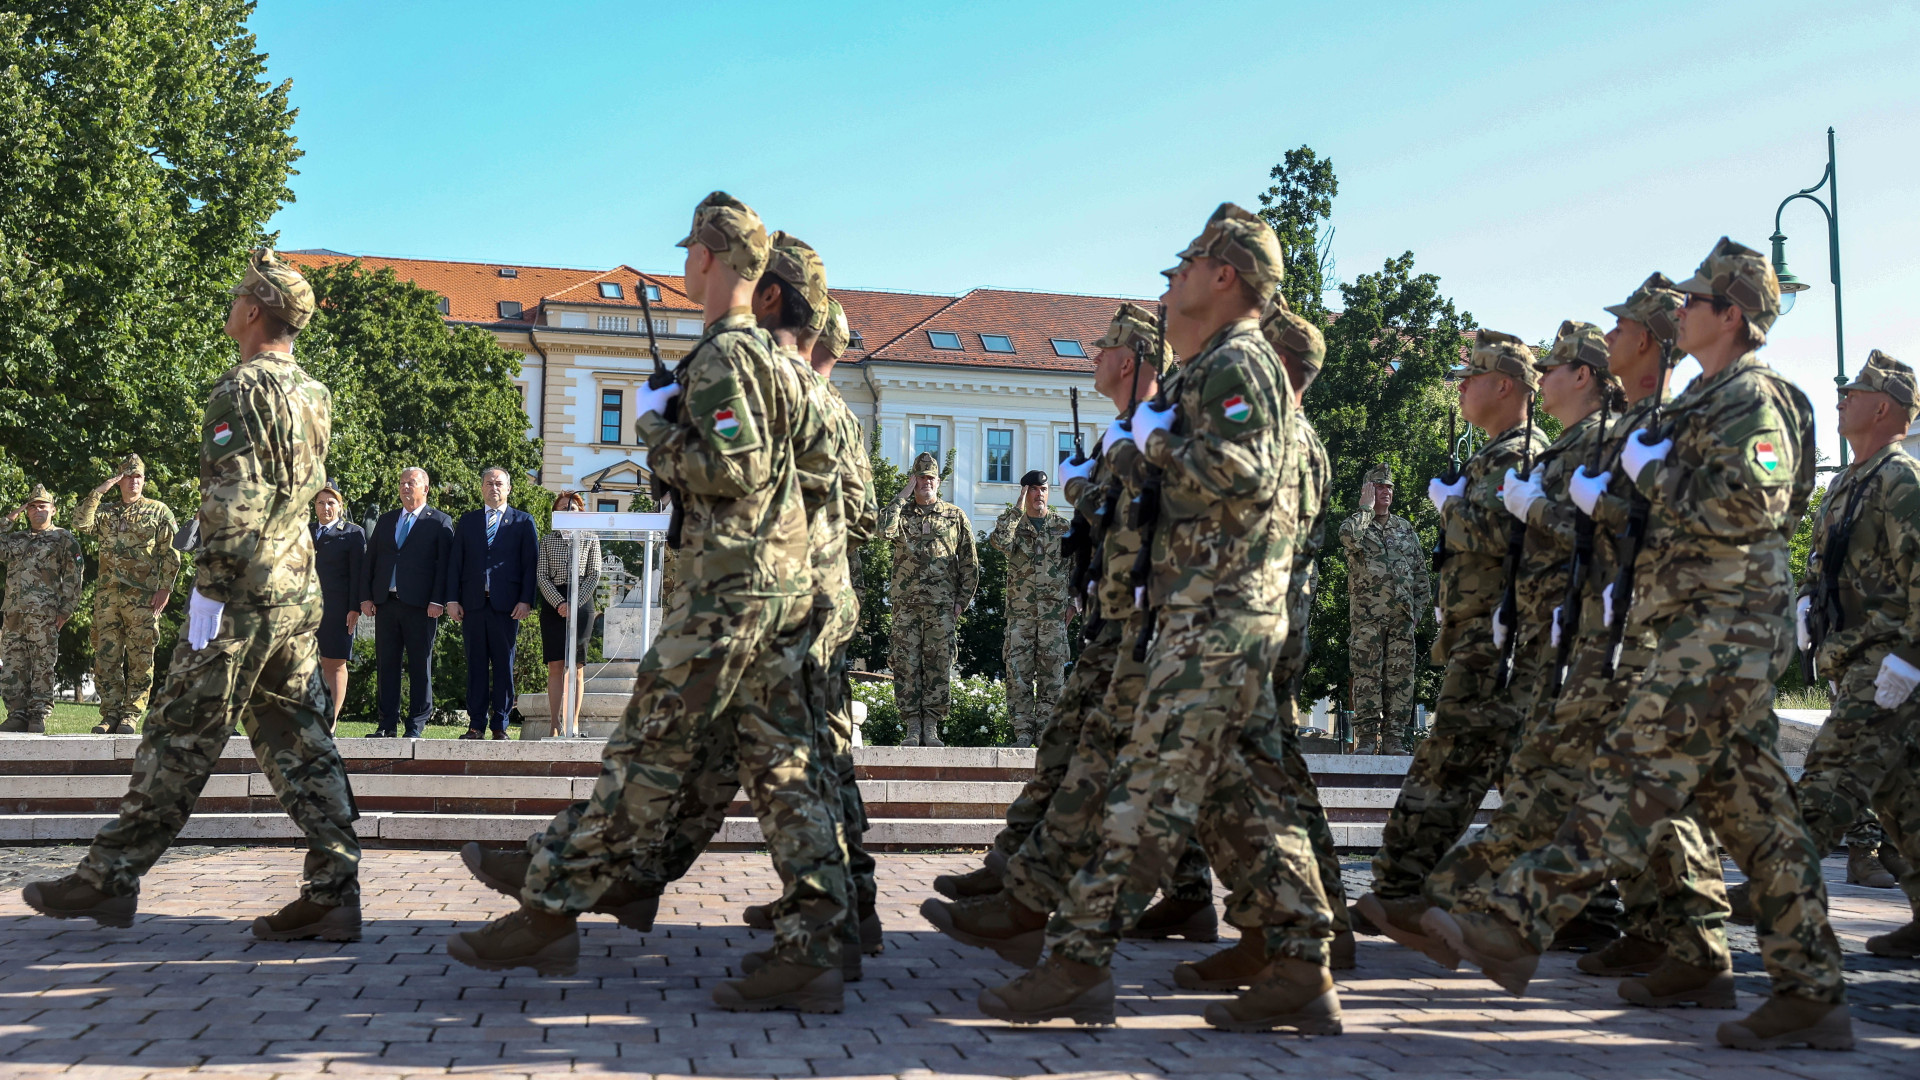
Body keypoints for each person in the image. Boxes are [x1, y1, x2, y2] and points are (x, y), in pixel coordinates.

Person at [1428, 238, 1851, 1052]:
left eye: (1695, 301)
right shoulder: (1707, 400)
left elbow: (1753, 505)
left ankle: (1514, 920)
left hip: (1723, 630)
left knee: (1626, 774)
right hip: (1692, 626)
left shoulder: (1753, 399)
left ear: (1732, 315)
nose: (1679, 312)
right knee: (1763, 823)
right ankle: (1811, 991)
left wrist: (1650, 477)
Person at [447, 193, 851, 1016]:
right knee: (784, 774)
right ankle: (816, 945)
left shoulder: (727, 355)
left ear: (706, 257)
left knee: (643, 757)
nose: (685, 265)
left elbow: (733, 470)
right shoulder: (780, 366)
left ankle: (549, 904)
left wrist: (658, 430)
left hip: (724, 598)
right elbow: (803, 478)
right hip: (776, 592)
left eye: (689, 252)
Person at [980, 203, 1335, 1034]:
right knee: (1246, 799)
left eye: (1189, 265)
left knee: (1145, 790)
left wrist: (1156, 442)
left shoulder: (1241, 361)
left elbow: (1242, 471)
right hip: (1203, 613)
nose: (1173, 279)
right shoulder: (1217, 363)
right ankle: (1301, 960)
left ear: (1227, 275)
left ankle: (1076, 961)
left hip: (1219, 617)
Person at [22, 248, 362, 942]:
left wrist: (209, 589)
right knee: (301, 739)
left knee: (178, 731)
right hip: (296, 589)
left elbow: (234, 498)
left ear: (255, 310)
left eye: (238, 296)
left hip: (242, 591)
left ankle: (110, 877)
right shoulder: (314, 394)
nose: (231, 305)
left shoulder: (238, 389)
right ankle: (335, 891)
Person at [923, 303, 1218, 957]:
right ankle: (1017, 869)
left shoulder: (1163, 426)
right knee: (1070, 746)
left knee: (1094, 763)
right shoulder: (1129, 429)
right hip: (1113, 623)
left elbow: (1141, 515)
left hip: (1146, 627)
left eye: (1104, 348)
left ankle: (1032, 901)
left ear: (1132, 359)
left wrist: (1081, 491)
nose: (1093, 358)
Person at [1423, 320, 1635, 952]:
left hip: (1584, 633)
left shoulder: (1594, 443)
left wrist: (1496, 509)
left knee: (1559, 772)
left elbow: (1598, 534)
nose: (1543, 379)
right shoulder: (1565, 446)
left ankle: (1470, 902)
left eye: (1553, 368)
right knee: (1538, 769)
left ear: (1584, 375)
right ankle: (1592, 909)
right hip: (1544, 629)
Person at [1723, 349, 1920, 962]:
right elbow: (1825, 562)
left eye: (1852, 392)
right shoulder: (1848, 481)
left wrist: (1910, 657)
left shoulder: (1901, 479)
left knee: (1831, 774)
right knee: (1902, 800)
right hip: (1851, 657)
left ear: (1883, 407)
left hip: (1885, 659)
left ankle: (1772, 884)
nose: (1840, 399)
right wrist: (1808, 599)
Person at [1353, 330, 1546, 951]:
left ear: (1505, 386)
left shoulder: (1520, 454)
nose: (1460, 388)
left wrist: (1450, 508)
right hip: (1478, 633)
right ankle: (1581, 907)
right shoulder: (1494, 452)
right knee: (1505, 772)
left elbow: (1504, 535)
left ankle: (1400, 887)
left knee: (1450, 762)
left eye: (1472, 377)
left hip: (1496, 638)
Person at [73, 453, 179, 734]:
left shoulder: (158, 511)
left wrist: (165, 588)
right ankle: (109, 714)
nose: (134, 481)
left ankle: (131, 715)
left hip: (143, 599)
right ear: (119, 481)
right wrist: (99, 491)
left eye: (138, 477)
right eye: (128, 477)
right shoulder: (106, 512)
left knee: (141, 657)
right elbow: (81, 523)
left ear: (144, 480)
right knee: (106, 657)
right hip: (108, 598)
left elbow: (171, 552)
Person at [880, 452, 978, 746]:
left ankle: (931, 727)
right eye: (921, 477)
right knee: (905, 666)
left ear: (938, 481)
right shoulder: (902, 514)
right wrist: (902, 496)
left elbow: (969, 563)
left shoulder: (954, 516)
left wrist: (961, 601)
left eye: (931, 477)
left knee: (939, 666)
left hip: (941, 607)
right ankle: (912, 727)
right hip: (906, 607)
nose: (927, 482)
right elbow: (883, 530)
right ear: (914, 480)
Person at [1338, 464, 1426, 753]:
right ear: (1367, 491)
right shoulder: (1358, 526)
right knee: (1366, 678)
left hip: (1402, 621)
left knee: (1401, 681)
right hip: (1367, 621)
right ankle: (1366, 739)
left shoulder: (1404, 528)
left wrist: (1416, 614)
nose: (1386, 491)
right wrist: (1365, 509)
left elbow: (1420, 575)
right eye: (1379, 486)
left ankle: (1394, 739)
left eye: (1389, 487)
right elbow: (1348, 537)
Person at [446, 467, 539, 740]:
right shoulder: (468, 521)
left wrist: (526, 600)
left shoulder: (523, 521)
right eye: (489, 483)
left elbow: (530, 564)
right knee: (475, 666)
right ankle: (476, 725)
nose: (494, 488)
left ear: (508, 488)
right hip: (473, 605)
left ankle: (500, 725)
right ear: (482, 488)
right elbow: (456, 562)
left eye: (499, 483)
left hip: (507, 607)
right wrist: (452, 599)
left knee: (503, 666)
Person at [360, 466, 453, 738]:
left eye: (411, 482)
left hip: (421, 607)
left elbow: (444, 567)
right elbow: (371, 560)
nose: (405, 487)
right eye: (402, 483)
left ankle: (415, 724)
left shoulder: (439, 522)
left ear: (426, 488)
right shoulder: (387, 520)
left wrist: (438, 600)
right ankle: (386, 724)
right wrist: (366, 596)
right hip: (386, 603)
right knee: (387, 665)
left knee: (419, 666)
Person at [989, 470, 1071, 747]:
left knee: (1053, 679)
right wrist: (1016, 508)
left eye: (1043, 489)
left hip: (1053, 619)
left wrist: (1074, 605)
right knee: (1018, 678)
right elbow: (999, 541)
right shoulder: (1014, 528)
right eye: (1033, 489)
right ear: (1025, 493)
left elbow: (1080, 568)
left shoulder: (1063, 528)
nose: (1039, 494)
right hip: (1020, 617)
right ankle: (1023, 734)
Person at [0, 485, 84, 734]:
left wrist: (66, 610)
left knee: (42, 664)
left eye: (43, 506)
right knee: (13, 664)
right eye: (33, 506)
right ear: (27, 511)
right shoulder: (16, 539)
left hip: (44, 614)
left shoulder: (63, 538)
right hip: (14, 614)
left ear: (53, 510)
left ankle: (38, 714)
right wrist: (8, 520)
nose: (38, 510)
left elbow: (74, 576)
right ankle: (16, 714)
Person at [536, 491, 600, 737]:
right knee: (556, 664)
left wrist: (574, 603)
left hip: (581, 601)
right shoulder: (547, 540)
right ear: (555, 512)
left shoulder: (590, 538)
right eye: (563, 508)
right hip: (554, 602)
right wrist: (560, 603)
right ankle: (554, 723)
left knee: (576, 666)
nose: (567, 512)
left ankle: (572, 723)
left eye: (572, 508)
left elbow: (594, 574)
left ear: (581, 512)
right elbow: (542, 575)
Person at [310, 479, 365, 730]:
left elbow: (358, 574)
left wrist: (354, 608)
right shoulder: (305, 531)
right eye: (320, 502)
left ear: (340, 506)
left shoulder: (352, 533)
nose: (325, 507)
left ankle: (329, 723)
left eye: (331, 502)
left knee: (334, 663)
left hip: (337, 609)